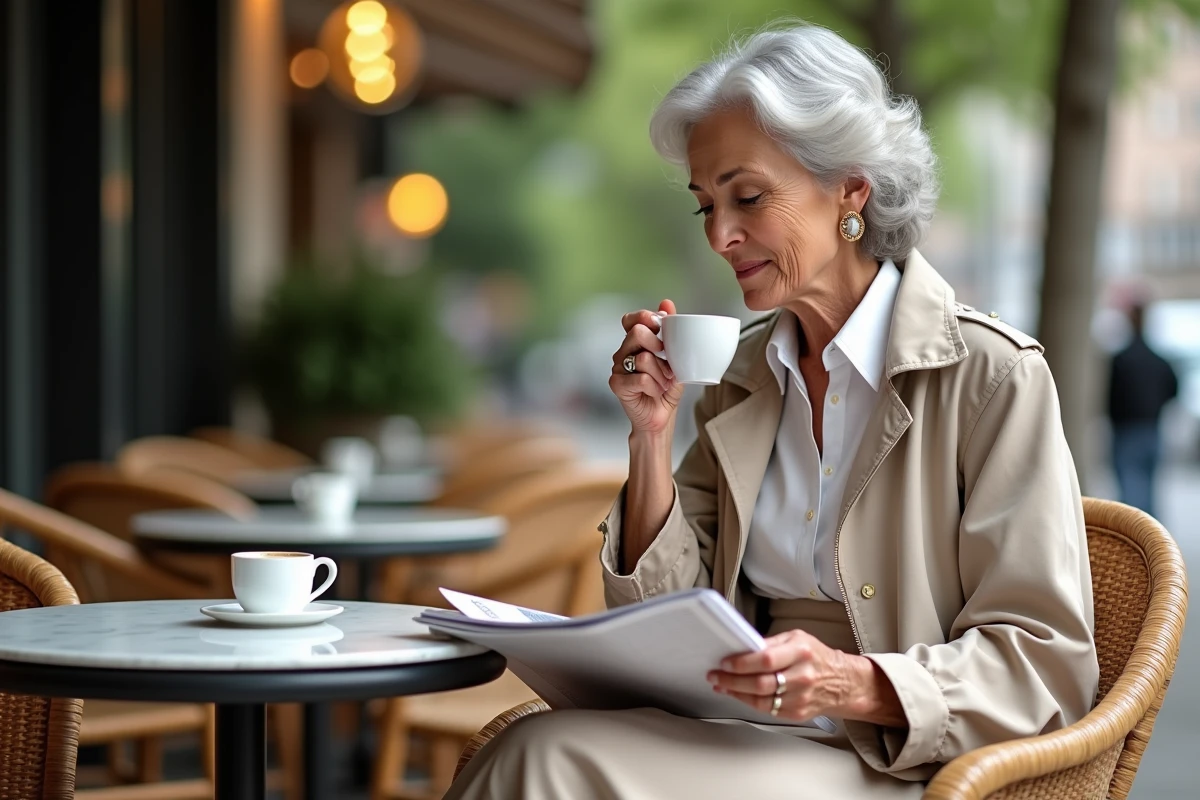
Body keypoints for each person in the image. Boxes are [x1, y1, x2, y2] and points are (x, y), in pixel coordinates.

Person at [447, 23, 1097, 799]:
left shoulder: (991, 377)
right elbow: (675, 610)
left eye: (748, 197)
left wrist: (854, 683)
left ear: (850, 189)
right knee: (533, 744)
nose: (722, 235)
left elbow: (1046, 660)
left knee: (545, 760)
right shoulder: (741, 374)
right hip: (739, 731)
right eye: (705, 207)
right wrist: (650, 438)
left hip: (895, 759)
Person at [1107, 303, 1178, 517]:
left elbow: (1110, 397)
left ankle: (1135, 542)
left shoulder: (1122, 359)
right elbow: (1173, 389)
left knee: (1131, 493)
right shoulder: (1159, 360)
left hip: (1127, 431)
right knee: (1149, 491)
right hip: (1151, 429)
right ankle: (1152, 542)